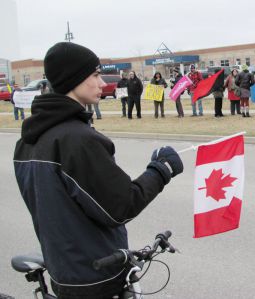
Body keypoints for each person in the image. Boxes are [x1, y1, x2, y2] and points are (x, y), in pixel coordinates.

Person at [13, 42, 184, 298]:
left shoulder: (27, 141)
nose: (102, 83)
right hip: (96, 275)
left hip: (63, 271)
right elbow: (121, 206)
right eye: (95, 75)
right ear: (74, 79)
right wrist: (161, 170)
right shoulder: (77, 140)